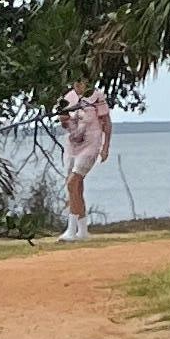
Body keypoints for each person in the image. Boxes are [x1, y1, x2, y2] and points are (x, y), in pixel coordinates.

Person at [59, 84, 113, 241]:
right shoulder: (68, 97)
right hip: (73, 145)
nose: (79, 84)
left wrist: (105, 147)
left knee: (72, 183)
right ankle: (82, 230)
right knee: (77, 187)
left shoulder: (96, 96)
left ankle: (71, 229)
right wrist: (64, 119)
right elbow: (65, 124)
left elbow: (106, 122)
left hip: (91, 144)